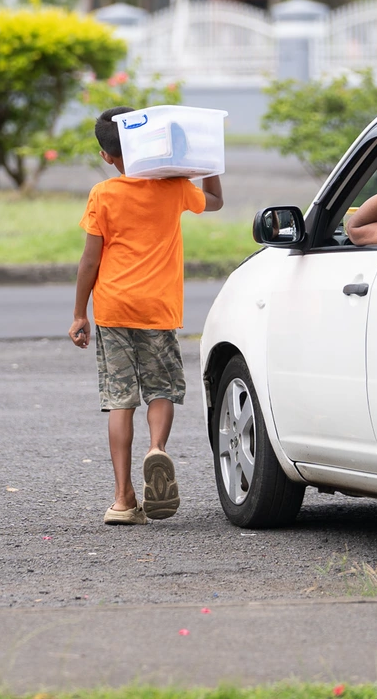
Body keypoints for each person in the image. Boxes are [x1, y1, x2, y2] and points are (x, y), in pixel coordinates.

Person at [69, 105, 224, 526]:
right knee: (160, 389)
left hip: (114, 307)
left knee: (120, 399)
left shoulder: (103, 194)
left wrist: (80, 314)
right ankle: (157, 449)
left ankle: (122, 500)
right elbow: (214, 201)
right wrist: (207, 163)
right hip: (158, 308)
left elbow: (88, 262)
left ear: (106, 156)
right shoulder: (173, 187)